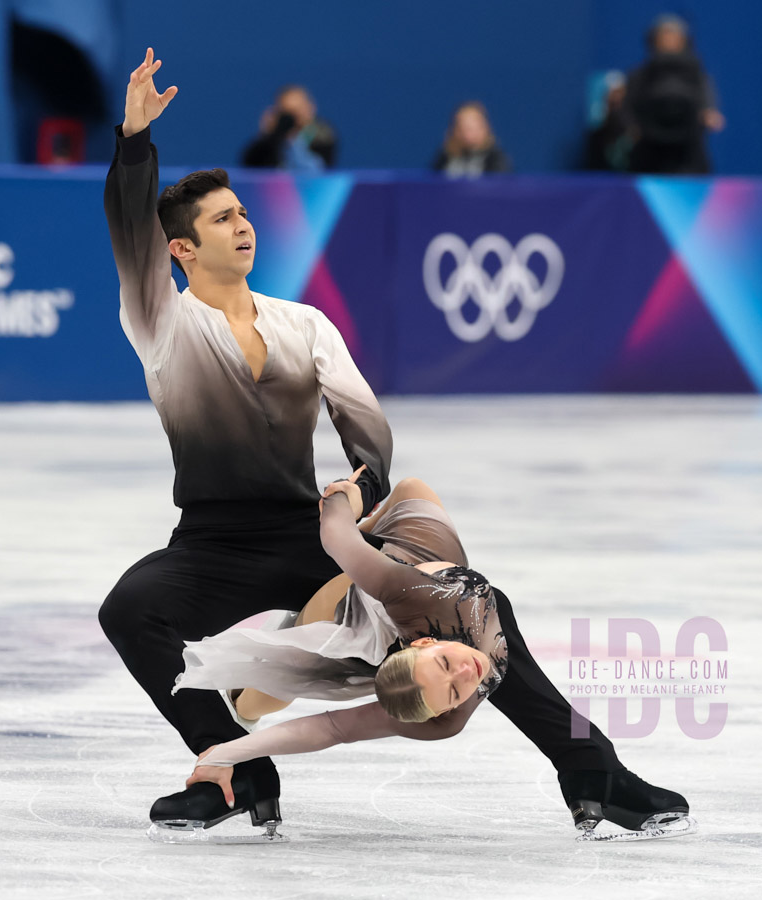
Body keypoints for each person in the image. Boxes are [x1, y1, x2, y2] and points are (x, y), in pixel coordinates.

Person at [99, 49, 393, 834]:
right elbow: (131, 229)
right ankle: (233, 765)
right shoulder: (160, 322)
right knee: (129, 609)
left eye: (244, 213)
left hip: (308, 540)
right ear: (182, 251)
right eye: (223, 219)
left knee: (467, 610)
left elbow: (367, 430)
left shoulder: (304, 323)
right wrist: (134, 139)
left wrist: (360, 490)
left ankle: (589, 767)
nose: (243, 224)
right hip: (212, 545)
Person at [170, 478, 693, 842]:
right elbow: (331, 729)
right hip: (371, 613)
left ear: (424, 645)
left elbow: (335, 538)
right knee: (265, 693)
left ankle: (590, 772)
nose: (467, 673)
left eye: (446, 667)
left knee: (414, 489)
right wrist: (229, 749)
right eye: (455, 689)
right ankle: (593, 774)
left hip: (380, 579)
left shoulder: (410, 592)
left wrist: (345, 499)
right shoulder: (446, 717)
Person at [626, 13, 725, 174]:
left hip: (689, 154)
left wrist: (709, 113)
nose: (669, 41)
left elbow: (709, 106)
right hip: (649, 153)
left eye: (674, 36)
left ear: (684, 41)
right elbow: (628, 110)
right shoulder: (639, 76)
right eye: (664, 36)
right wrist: (631, 127)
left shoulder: (698, 76)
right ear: (653, 40)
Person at [241, 85, 337, 171]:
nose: (294, 118)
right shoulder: (274, 137)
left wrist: (292, 140)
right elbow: (250, 165)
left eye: (297, 110)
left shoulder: (322, 134)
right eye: (287, 112)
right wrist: (266, 136)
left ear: (310, 107)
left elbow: (317, 170)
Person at [432, 102, 511, 177]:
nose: (467, 133)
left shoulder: (496, 159)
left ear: (484, 128)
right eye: (462, 128)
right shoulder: (444, 158)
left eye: (472, 128)